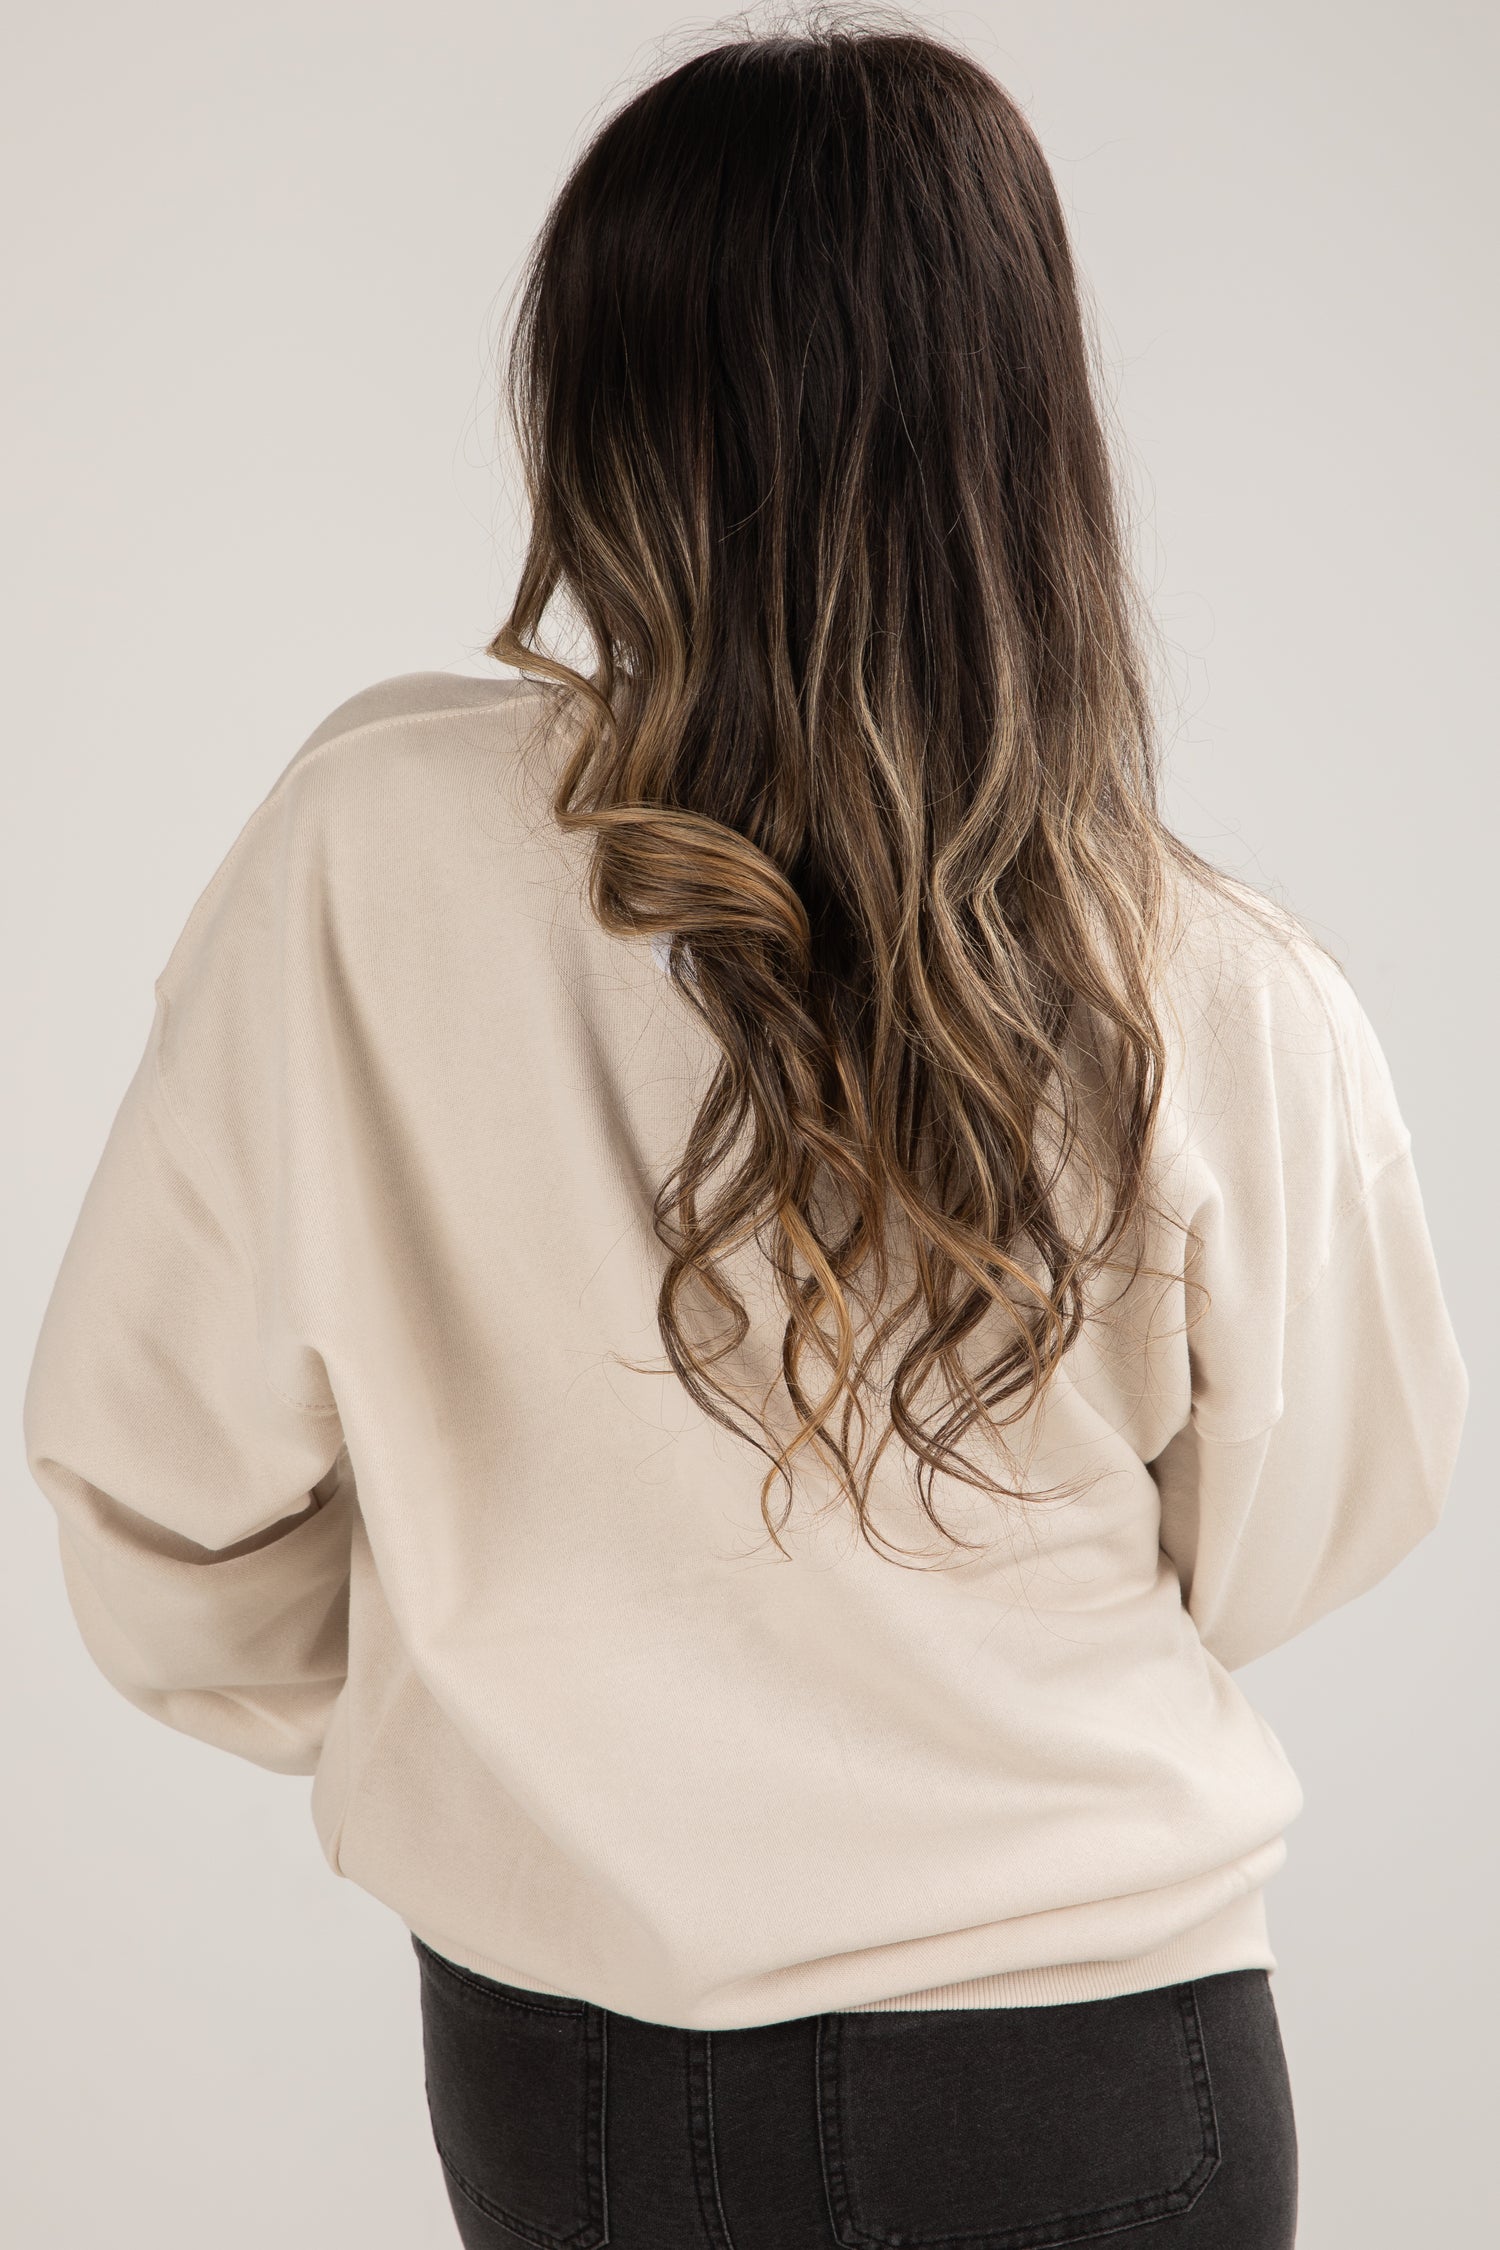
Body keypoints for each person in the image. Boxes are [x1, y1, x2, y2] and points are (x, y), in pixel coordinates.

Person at [22, 19, 1468, 2250]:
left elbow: (156, 1489)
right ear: (1033, 434)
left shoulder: (365, 854)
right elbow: (1311, 1527)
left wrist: (525, 1705)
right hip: (1116, 2069)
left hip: (579, 2062)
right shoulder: (1219, 986)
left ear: (599, 418)